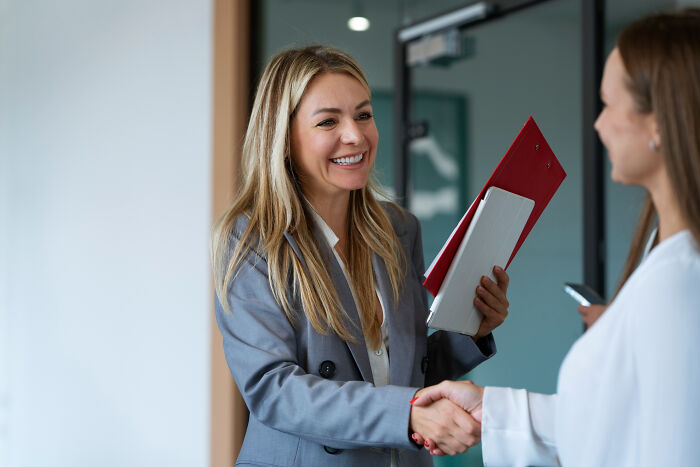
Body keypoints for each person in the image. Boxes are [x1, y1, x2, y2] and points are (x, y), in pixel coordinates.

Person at [412, 8, 700, 466]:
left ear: (659, 121)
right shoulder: (666, 260)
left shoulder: (680, 282)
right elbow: (612, 425)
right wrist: (492, 410)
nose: (598, 125)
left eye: (607, 105)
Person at [211, 45, 512, 466]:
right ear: (283, 139)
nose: (355, 135)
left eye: (364, 115)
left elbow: (405, 373)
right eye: (328, 121)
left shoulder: (398, 228)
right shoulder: (252, 241)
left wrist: (471, 331)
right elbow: (273, 390)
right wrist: (405, 416)